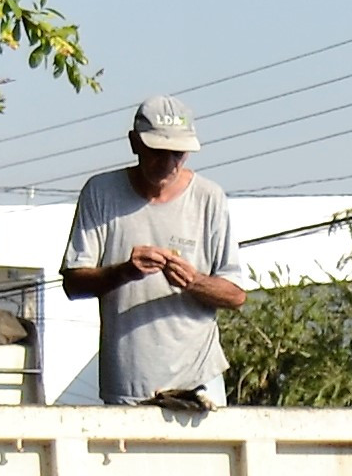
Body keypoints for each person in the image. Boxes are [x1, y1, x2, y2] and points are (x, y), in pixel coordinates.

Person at [56, 93, 243, 409]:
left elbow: (236, 296)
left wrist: (194, 282)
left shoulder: (209, 197)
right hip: (128, 384)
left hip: (199, 382)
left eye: (178, 153)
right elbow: (73, 285)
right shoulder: (101, 193)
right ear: (135, 143)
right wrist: (124, 271)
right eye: (158, 151)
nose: (168, 163)